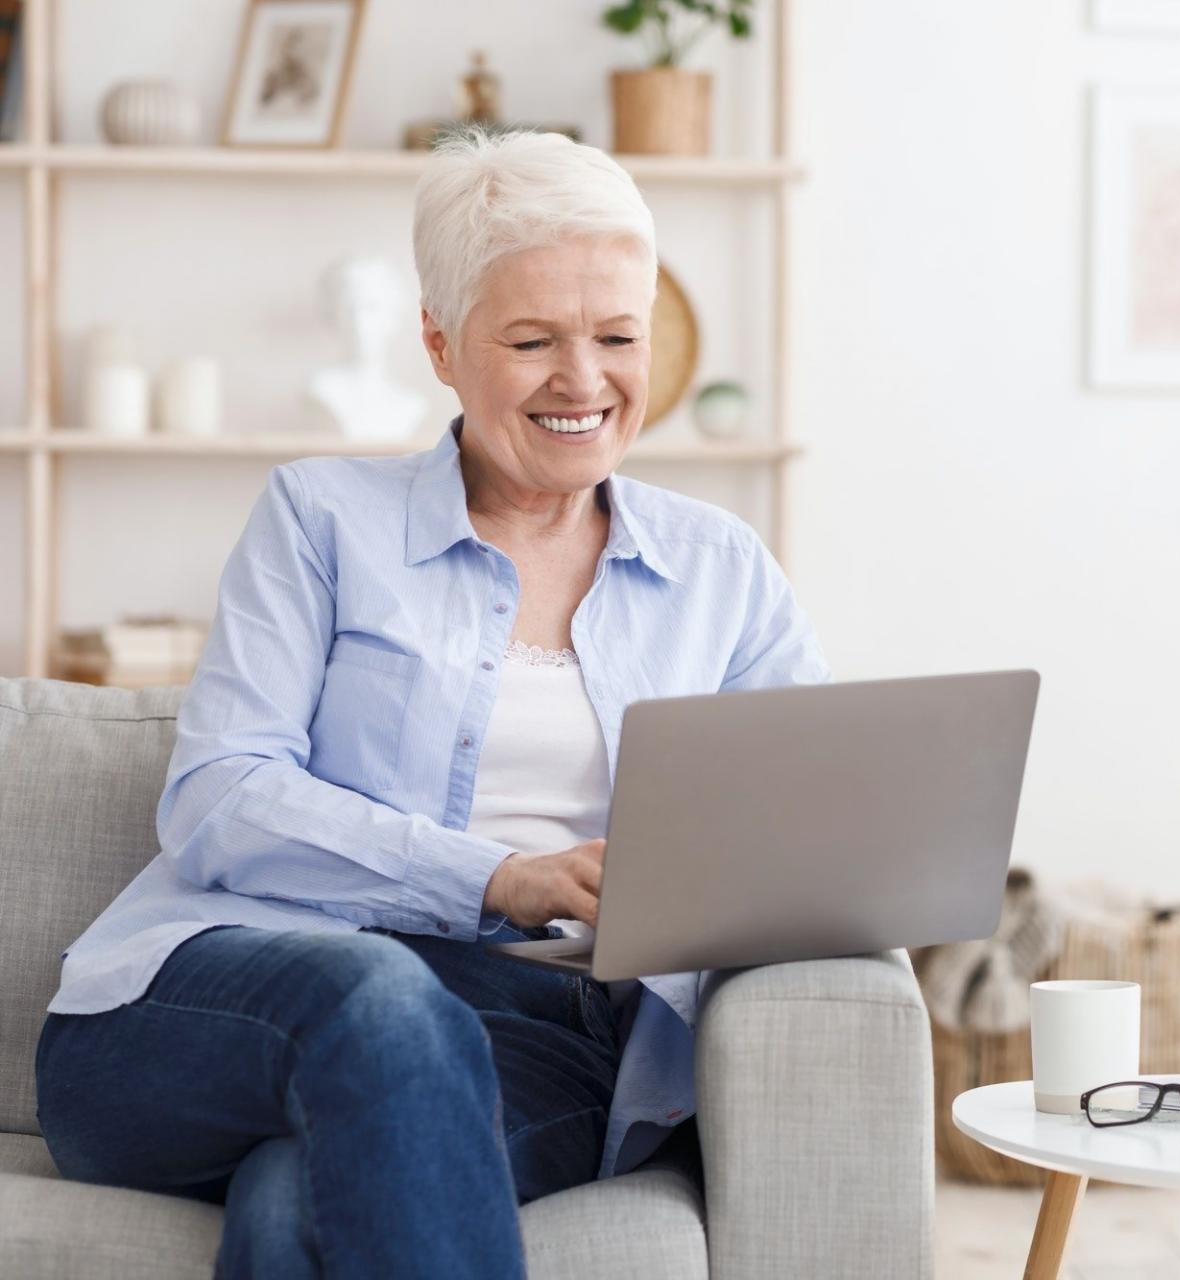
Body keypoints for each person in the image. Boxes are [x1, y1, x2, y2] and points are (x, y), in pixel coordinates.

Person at [32, 125, 829, 1277]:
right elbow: (217, 795)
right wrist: (495, 878)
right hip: (219, 998)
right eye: (532, 339)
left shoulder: (724, 571)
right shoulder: (319, 519)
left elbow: (807, 830)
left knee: (292, 1206)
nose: (584, 379)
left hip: (545, 1034)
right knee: (377, 987)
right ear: (440, 342)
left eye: (617, 335)